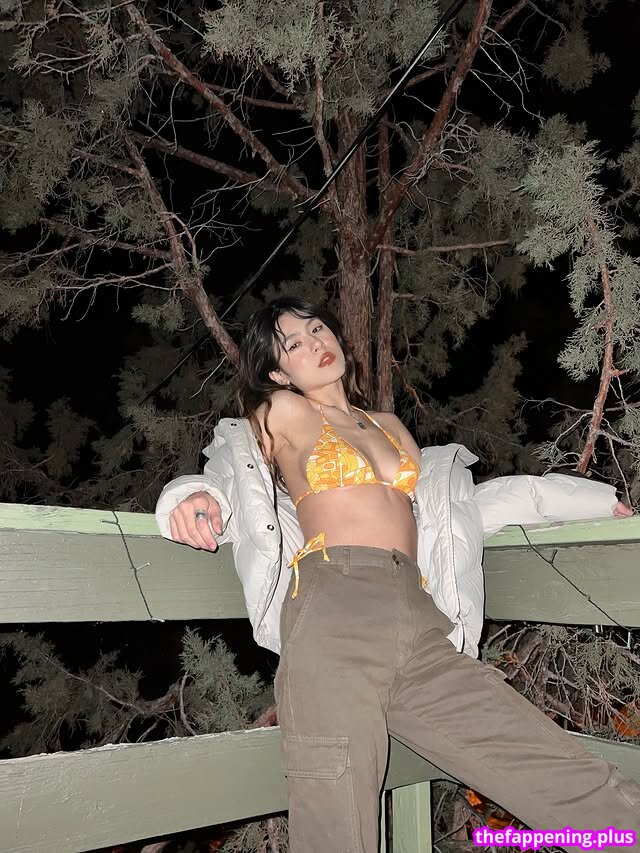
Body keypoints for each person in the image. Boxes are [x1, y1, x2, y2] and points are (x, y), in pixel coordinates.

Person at [156, 297, 640, 853]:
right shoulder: (282, 412)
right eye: (294, 344)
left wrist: (588, 503)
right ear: (278, 373)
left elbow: (459, 510)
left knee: (545, 763)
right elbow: (229, 464)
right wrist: (192, 495)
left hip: (418, 618)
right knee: (337, 825)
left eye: (318, 328)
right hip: (333, 612)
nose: (316, 342)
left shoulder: (387, 424)